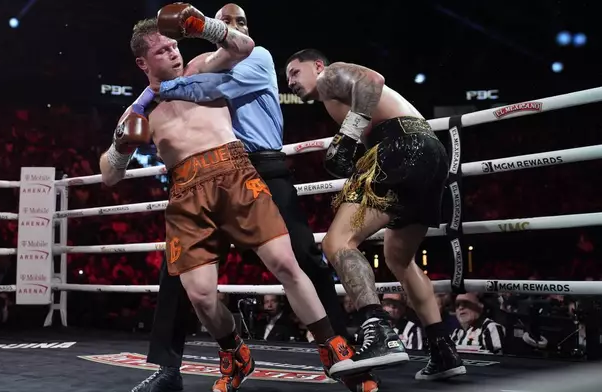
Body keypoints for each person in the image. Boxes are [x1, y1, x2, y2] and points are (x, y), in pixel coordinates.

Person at [100, 5, 369, 392]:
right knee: (201, 296)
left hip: (236, 172)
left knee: (287, 262)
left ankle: (336, 350)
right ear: (143, 62)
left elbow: (243, 46)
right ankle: (234, 352)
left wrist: (203, 25)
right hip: (185, 191)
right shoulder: (137, 111)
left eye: (175, 45)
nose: (174, 53)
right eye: (163, 51)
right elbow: (110, 174)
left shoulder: (202, 68)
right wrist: (121, 146)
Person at [285, 49, 467, 380]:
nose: (291, 82)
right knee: (399, 258)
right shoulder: (334, 96)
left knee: (337, 242)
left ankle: (380, 332)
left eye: (295, 73)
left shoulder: (330, 77)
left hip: (400, 146)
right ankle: (443, 351)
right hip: (431, 153)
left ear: (317, 66)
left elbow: (372, 79)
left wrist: (348, 134)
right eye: (287, 79)